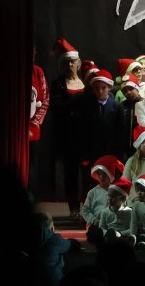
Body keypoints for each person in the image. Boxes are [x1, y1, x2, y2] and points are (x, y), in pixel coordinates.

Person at [50, 37, 85, 215]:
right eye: (67, 62)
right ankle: (74, 208)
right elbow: (56, 109)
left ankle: (90, 207)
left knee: (88, 174)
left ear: (78, 63)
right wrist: (76, 102)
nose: (70, 65)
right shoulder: (58, 85)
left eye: (73, 61)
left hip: (86, 136)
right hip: (68, 137)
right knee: (70, 174)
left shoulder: (87, 82)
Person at [80, 69, 125, 165]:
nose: (100, 91)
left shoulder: (116, 107)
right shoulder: (87, 106)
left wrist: (119, 156)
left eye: (103, 88)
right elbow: (83, 132)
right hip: (92, 153)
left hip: (111, 152)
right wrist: (84, 156)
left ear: (109, 87)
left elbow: (120, 133)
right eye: (97, 88)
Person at [82, 155, 123, 243]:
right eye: (99, 174)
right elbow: (85, 211)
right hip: (96, 225)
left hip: (112, 224)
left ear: (110, 174)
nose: (101, 177)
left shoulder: (117, 191)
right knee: (96, 234)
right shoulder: (92, 192)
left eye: (104, 174)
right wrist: (95, 221)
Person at [33, 212, 81, 286]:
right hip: (55, 281)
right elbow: (74, 245)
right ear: (52, 227)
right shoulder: (55, 239)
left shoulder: (28, 240)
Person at [98, 177, 133, 243]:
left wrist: (120, 233)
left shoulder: (129, 212)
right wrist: (108, 233)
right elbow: (101, 228)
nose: (109, 198)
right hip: (109, 237)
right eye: (108, 196)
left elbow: (132, 229)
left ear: (123, 198)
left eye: (113, 196)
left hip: (123, 237)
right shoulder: (105, 212)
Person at [119, 74, 143, 158]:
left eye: (130, 89)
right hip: (125, 150)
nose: (128, 92)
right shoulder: (121, 106)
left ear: (137, 88)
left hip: (142, 148)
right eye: (125, 91)